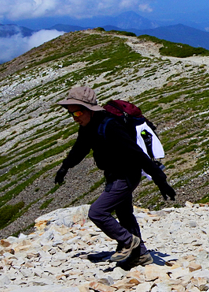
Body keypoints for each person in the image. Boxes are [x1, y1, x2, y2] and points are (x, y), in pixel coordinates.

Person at [54, 85, 176, 267]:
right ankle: (141, 256)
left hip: (126, 175)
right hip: (113, 174)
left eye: (77, 114)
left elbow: (137, 153)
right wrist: (65, 167)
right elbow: (80, 148)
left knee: (97, 212)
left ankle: (128, 242)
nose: (75, 119)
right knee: (124, 214)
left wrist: (160, 180)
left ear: (89, 110)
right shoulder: (88, 127)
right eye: (71, 114)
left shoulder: (110, 126)